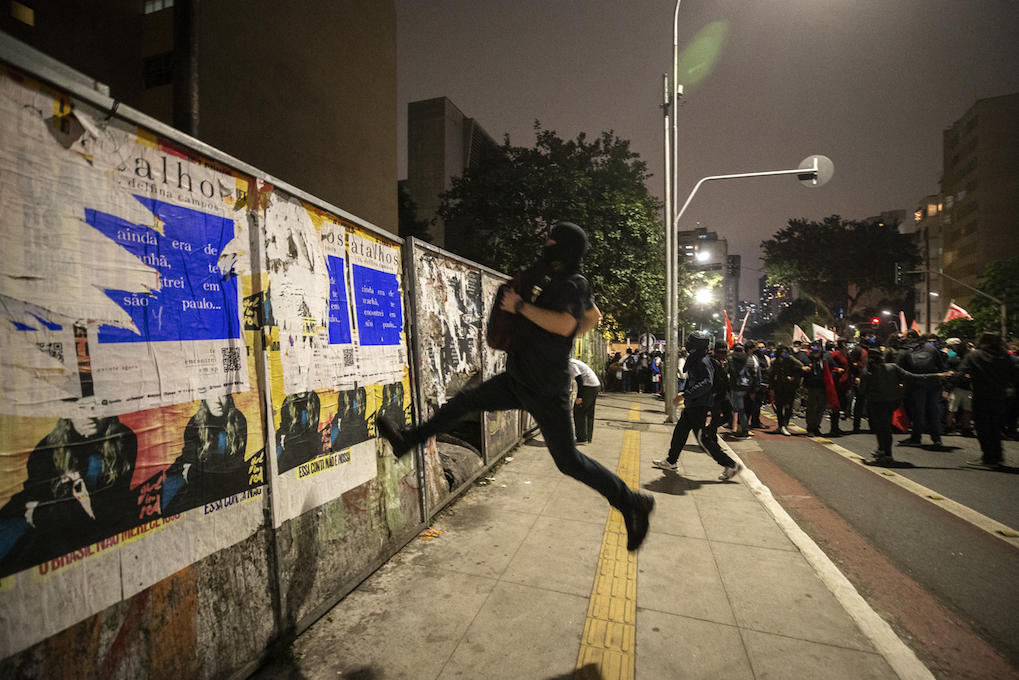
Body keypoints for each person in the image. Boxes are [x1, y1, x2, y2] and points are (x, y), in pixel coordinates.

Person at [377, 222, 654, 551]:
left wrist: (522, 309)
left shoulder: (572, 282)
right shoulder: (565, 281)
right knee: (466, 400)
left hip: (546, 388)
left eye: (552, 240)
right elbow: (592, 316)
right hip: (522, 377)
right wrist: (548, 337)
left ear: (564, 246)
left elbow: (567, 323)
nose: (546, 244)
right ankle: (408, 440)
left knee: (569, 462)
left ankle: (631, 501)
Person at [652, 331, 742, 481]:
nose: (687, 343)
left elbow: (707, 382)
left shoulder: (703, 361)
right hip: (693, 404)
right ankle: (671, 461)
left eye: (690, 341)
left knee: (703, 439)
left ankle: (731, 465)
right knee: (680, 432)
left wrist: (685, 395)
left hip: (699, 404)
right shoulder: (697, 359)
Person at [858, 349, 951, 466]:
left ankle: (887, 454)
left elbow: (862, 390)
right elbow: (914, 377)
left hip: (876, 403)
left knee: (882, 429)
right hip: (893, 402)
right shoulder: (892, 367)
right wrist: (937, 375)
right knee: (885, 427)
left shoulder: (866, 372)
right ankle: (882, 451)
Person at [952, 332, 1019, 469]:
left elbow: (961, 372)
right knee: (995, 425)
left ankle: (988, 455)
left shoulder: (975, 355)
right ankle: (998, 454)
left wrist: (949, 386)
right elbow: (1015, 374)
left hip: (981, 395)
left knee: (982, 427)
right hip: (1000, 396)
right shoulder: (1005, 356)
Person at [896, 329, 946, 447]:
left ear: (909, 337)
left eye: (903, 337)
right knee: (933, 410)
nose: (901, 339)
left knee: (917, 411)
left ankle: (916, 437)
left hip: (915, 384)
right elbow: (941, 367)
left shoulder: (904, 350)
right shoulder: (931, 348)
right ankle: (936, 438)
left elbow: (897, 368)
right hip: (933, 383)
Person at [768, 344, 803, 435]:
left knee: (788, 407)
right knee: (779, 407)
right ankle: (780, 426)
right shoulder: (774, 362)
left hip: (789, 387)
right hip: (778, 387)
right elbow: (771, 376)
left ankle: (784, 425)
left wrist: (793, 377)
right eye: (783, 352)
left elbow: (800, 366)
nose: (785, 353)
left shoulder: (790, 360)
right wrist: (771, 388)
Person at [728, 342, 759, 438]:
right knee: (743, 410)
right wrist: (753, 389)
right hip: (746, 387)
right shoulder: (749, 359)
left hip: (734, 387)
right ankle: (744, 429)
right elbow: (754, 375)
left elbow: (727, 372)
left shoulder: (729, 359)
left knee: (736, 409)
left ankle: (738, 427)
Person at [943, 339, 973, 436]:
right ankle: (949, 426)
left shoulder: (970, 360)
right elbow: (947, 371)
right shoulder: (954, 359)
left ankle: (965, 428)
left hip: (965, 387)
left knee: (966, 409)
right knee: (953, 408)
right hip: (957, 387)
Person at [569, 357, 601, 444]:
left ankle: (582, 438)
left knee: (579, 411)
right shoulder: (572, 362)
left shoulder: (570, 364)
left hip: (588, 386)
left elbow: (579, 379)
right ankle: (587, 437)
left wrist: (579, 397)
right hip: (594, 385)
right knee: (588, 412)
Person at [802, 342, 829, 437]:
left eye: (818, 347)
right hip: (810, 387)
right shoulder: (806, 359)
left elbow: (833, 368)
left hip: (822, 387)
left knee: (820, 408)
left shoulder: (826, 359)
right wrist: (803, 368)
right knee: (811, 408)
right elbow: (796, 367)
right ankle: (810, 427)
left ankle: (817, 426)